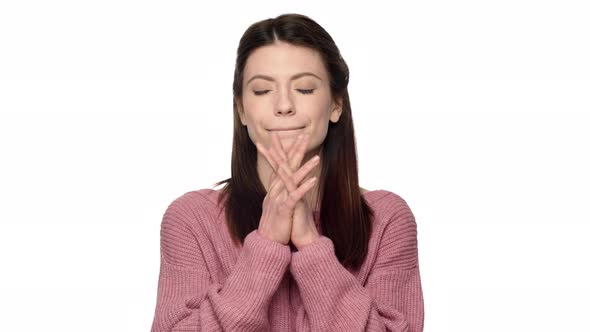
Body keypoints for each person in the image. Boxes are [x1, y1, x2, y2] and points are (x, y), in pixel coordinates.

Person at [150, 13, 424, 332]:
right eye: (262, 90)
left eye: (305, 89)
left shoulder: (386, 219)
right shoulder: (192, 219)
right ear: (241, 108)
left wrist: (310, 245)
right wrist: (266, 244)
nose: (283, 105)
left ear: (336, 104)